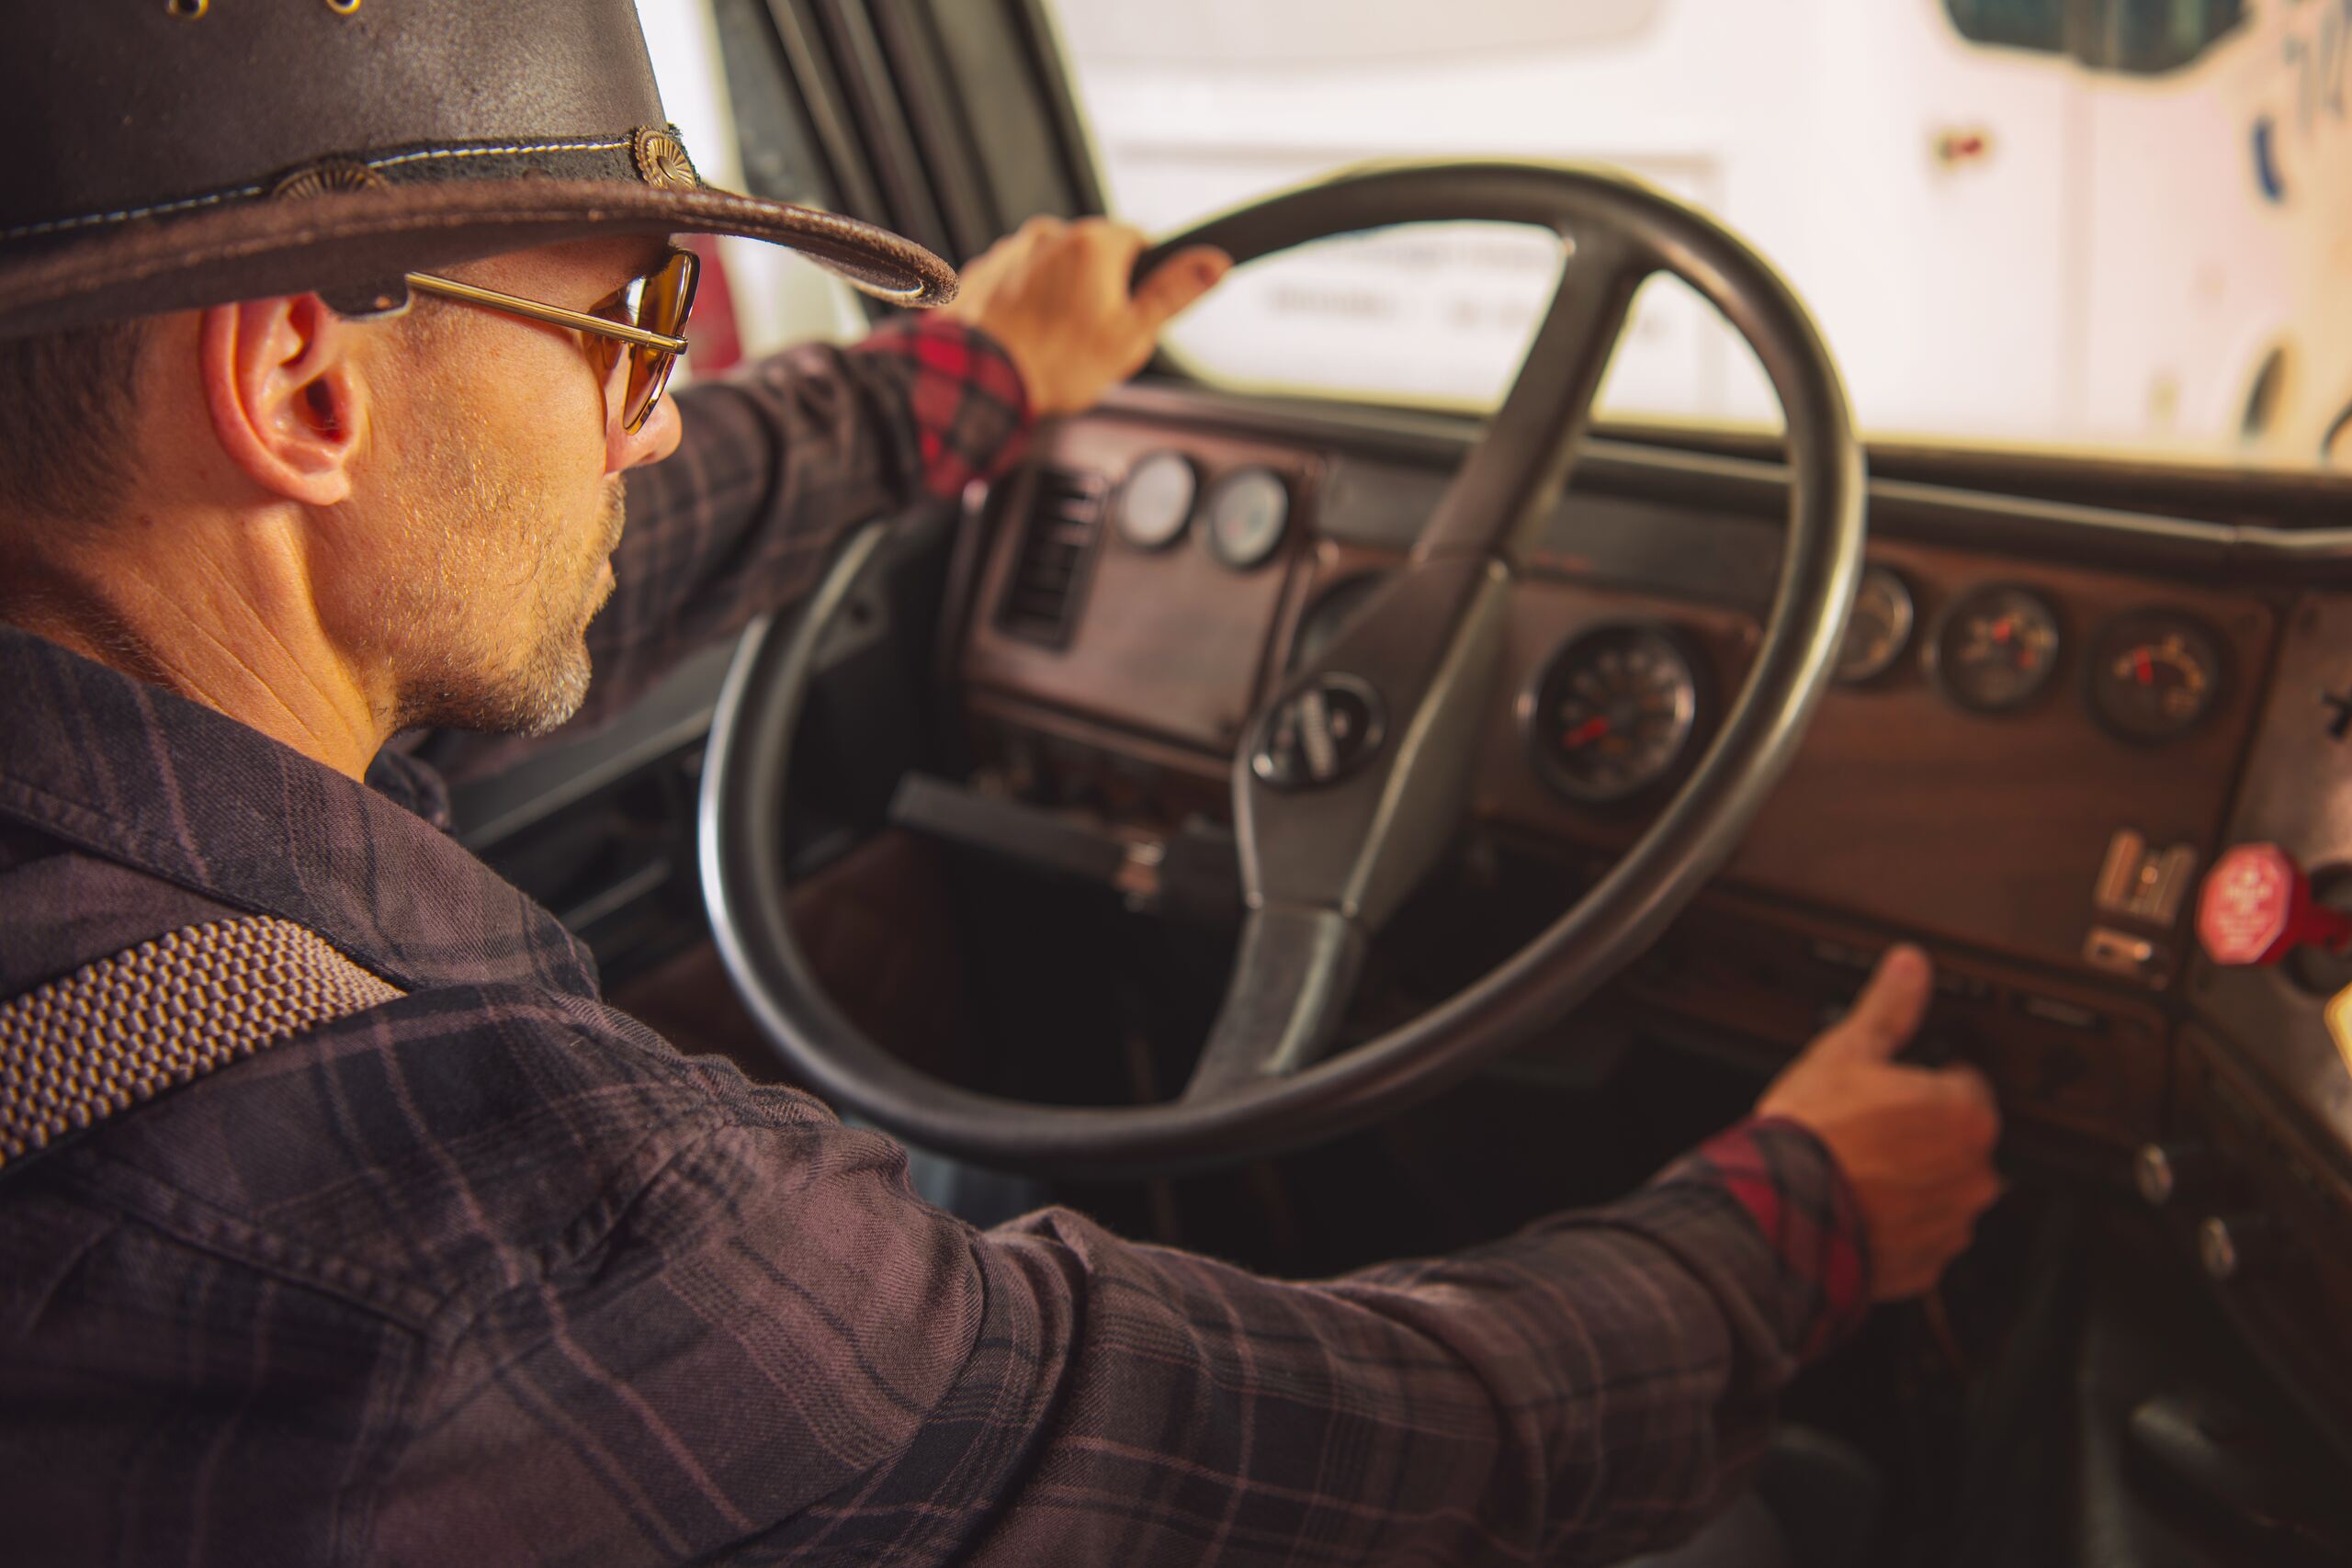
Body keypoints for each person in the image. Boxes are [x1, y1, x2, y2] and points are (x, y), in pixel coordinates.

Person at [0, 3, 2001, 1563]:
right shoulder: (488, 1243)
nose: (651, 421)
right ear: (296, 388)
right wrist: (1788, 1229)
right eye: (628, 319)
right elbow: (1285, 1456)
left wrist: (953, 390)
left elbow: (473, 541)